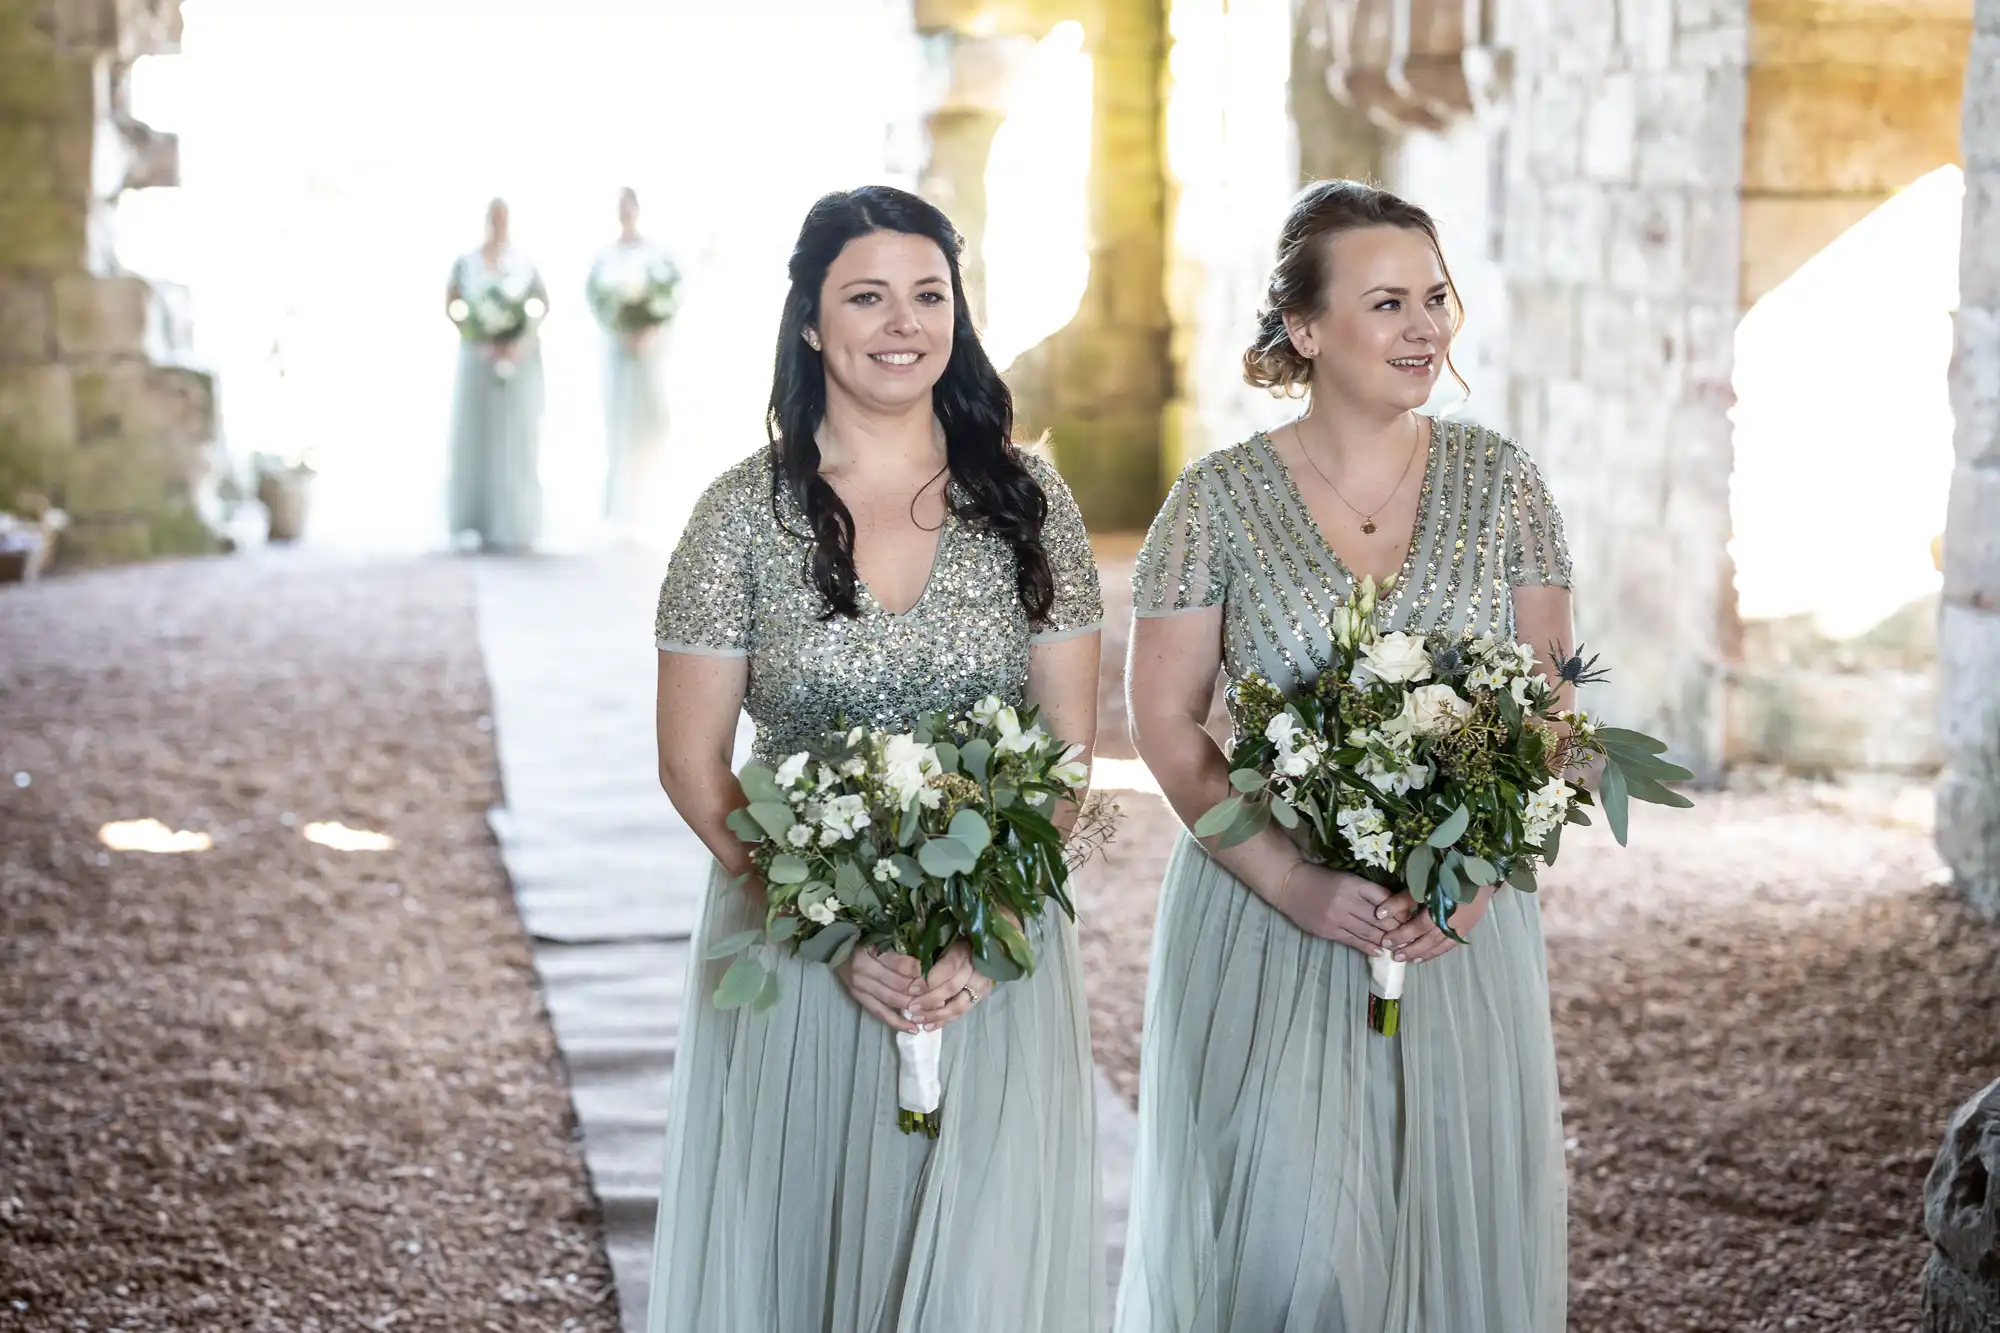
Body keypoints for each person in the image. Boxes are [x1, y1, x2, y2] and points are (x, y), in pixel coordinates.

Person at [1115, 178, 1574, 1333]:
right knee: (1296, 1253)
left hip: (1461, 924)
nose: (1426, 327)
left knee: (1444, 1234)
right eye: (1387, 302)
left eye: (1435, 296)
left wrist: (1475, 881)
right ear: (1304, 330)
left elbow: (1550, 705)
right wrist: (1293, 879)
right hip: (1267, 916)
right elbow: (1166, 723)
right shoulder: (1212, 501)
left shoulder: (1505, 484)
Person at [647, 185, 1105, 1333]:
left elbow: (1063, 751)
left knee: (983, 1259)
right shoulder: (736, 518)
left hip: (989, 949)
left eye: (926, 294)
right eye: (866, 296)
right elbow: (693, 765)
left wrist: (984, 929)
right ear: (809, 320)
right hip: (799, 950)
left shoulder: (1028, 501)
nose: (901, 323)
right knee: (799, 1247)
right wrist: (830, 930)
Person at [445, 197, 547, 553]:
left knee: (514, 436)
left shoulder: (523, 262)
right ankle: (474, 519)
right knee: (475, 432)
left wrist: (520, 341)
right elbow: (453, 305)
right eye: (494, 217)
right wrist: (477, 337)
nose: (499, 224)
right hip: (478, 357)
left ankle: (514, 521)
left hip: (517, 359)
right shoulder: (467, 262)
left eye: (504, 217)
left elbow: (541, 306)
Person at [587, 187, 680, 530]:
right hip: (618, 348)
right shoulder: (606, 256)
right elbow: (597, 300)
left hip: (651, 350)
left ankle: (651, 500)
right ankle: (619, 508)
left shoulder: (655, 255)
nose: (625, 212)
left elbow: (670, 297)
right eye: (620, 207)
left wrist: (649, 330)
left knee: (652, 421)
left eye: (629, 206)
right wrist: (620, 330)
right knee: (619, 421)